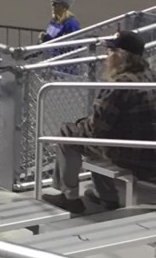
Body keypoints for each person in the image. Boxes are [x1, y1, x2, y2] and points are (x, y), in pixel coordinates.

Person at [46, 32, 156, 213]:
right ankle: (105, 196)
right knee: (94, 141)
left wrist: (79, 125)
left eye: (111, 50)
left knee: (67, 134)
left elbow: (97, 129)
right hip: (149, 151)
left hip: (129, 154)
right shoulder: (151, 76)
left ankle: (69, 197)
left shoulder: (119, 84)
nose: (107, 55)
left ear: (121, 55)